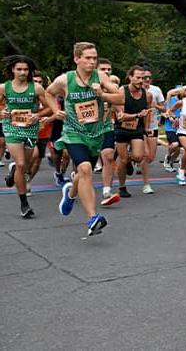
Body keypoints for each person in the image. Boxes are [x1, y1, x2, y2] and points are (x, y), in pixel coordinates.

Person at [46, 42, 123, 236]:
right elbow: (48, 93)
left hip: (97, 132)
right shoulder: (65, 80)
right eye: (88, 58)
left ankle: (70, 193)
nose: (92, 61)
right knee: (85, 168)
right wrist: (56, 111)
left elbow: (121, 99)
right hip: (74, 132)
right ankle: (93, 217)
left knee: (83, 171)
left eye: (94, 58)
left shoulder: (101, 77)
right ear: (77, 59)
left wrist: (102, 94)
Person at [0, 55, 51, 217]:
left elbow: (50, 108)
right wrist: (2, 112)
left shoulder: (36, 88)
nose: (22, 72)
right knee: (22, 164)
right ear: (12, 70)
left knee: (25, 166)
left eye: (26, 69)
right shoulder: (4, 88)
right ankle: (24, 204)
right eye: (19, 69)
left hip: (30, 129)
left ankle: (14, 170)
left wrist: (38, 115)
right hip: (12, 128)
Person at [114, 65, 153, 197]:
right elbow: (120, 116)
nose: (141, 80)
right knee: (123, 160)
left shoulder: (147, 95)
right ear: (130, 77)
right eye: (137, 77)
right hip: (122, 129)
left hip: (137, 129)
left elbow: (147, 113)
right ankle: (122, 187)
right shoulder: (121, 92)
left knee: (138, 156)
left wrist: (147, 127)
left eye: (143, 78)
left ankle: (129, 160)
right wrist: (137, 115)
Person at [96, 58, 121, 206]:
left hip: (106, 127)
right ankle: (75, 184)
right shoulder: (85, 87)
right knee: (85, 164)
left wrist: (120, 113)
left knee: (109, 156)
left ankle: (107, 191)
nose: (106, 72)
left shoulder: (112, 89)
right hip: (86, 130)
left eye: (109, 70)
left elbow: (120, 102)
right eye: (103, 69)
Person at [27, 71, 54, 195]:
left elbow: (54, 110)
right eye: (35, 81)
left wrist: (46, 116)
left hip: (44, 132)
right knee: (33, 155)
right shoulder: (26, 95)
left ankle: (27, 179)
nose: (37, 84)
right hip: (27, 131)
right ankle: (20, 170)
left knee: (37, 160)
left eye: (40, 82)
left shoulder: (47, 96)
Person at [142, 67, 165, 193]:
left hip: (152, 125)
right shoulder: (135, 91)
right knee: (144, 155)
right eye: (144, 77)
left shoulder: (156, 90)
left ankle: (133, 158)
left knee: (150, 156)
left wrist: (154, 105)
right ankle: (146, 185)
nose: (146, 80)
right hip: (139, 126)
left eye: (149, 77)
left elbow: (164, 109)